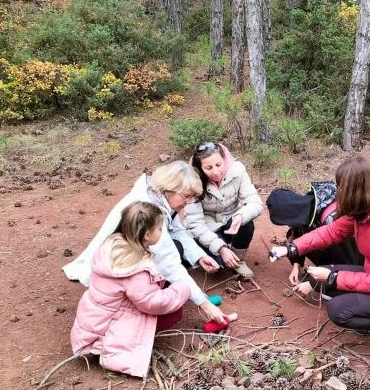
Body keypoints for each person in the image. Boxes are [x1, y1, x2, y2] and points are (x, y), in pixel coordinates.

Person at [270, 156, 370, 353]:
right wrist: (291, 249)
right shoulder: (369, 207)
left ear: (357, 190)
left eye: (342, 187)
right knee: (322, 277)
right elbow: (332, 231)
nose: (339, 192)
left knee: (338, 310)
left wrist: (333, 278)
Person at [63, 161, 227, 324]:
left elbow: (177, 230)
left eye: (192, 197)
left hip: (126, 256)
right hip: (119, 264)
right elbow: (169, 263)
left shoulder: (162, 197)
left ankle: (158, 292)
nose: (189, 202)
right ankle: (144, 300)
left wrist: (199, 256)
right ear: (170, 189)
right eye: (186, 196)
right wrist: (204, 304)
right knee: (172, 311)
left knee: (176, 248)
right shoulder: (149, 213)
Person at [70, 201, 191, 377]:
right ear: (147, 235)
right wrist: (182, 289)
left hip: (93, 323)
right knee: (174, 309)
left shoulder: (112, 245)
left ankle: (101, 343)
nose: (161, 232)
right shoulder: (135, 269)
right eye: (159, 229)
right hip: (107, 330)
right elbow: (153, 303)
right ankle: (118, 346)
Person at [186, 142, 264, 280]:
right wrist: (221, 249)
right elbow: (195, 224)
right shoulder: (192, 181)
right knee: (219, 265)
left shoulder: (238, 170)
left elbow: (255, 202)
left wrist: (240, 216)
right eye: (208, 168)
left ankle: (238, 260)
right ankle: (219, 253)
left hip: (231, 219)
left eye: (218, 165)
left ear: (224, 159)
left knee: (246, 223)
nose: (216, 172)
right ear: (199, 168)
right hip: (207, 226)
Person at [266, 180, 363, 285]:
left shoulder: (332, 218)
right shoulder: (308, 206)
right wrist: (297, 265)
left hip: (358, 262)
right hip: (343, 251)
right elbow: (296, 233)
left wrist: (315, 284)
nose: (288, 224)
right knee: (296, 234)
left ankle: (329, 276)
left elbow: (348, 262)